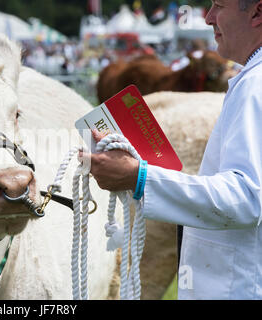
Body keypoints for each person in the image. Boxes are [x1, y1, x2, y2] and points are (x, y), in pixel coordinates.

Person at [81, 0, 262, 299]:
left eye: (219, 6)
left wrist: (139, 179)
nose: (208, 18)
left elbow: (246, 198)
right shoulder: (250, 80)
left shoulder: (255, 85)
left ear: (257, 12)